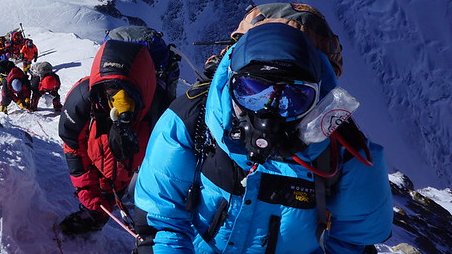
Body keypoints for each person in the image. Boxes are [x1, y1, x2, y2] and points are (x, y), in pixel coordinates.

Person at [134, 23, 393, 253]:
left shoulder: (343, 149)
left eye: (293, 98)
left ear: (318, 98)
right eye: (252, 91)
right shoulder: (192, 119)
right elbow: (162, 221)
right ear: (230, 82)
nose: (267, 114)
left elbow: (353, 244)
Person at [58, 39, 169, 235]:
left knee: (115, 187)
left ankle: (102, 207)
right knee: (101, 191)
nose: (120, 101)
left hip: (126, 171)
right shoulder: (85, 100)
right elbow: (73, 146)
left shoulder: (160, 111)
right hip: (97, 163)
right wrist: (86, 191)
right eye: (112, 90)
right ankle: (95, 212)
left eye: (127, 92)